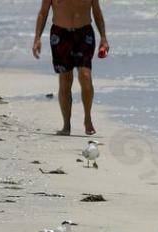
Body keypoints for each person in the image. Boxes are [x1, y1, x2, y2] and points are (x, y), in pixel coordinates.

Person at [32, 0, 109, 137]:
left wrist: (103, 38)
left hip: (84, 33)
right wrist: (37, 38)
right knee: (65, 79)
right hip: (60, 34)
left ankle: (87, 118)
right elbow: (43, 13)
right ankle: (66, 125)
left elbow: (97, 11)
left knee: (85, 76)